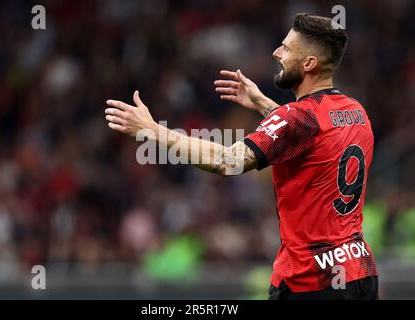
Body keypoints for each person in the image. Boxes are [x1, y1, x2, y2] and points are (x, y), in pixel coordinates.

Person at [104, 13, 378, 300]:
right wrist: (263, 104)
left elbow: (228, 162)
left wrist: (153, 131)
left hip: (311, 280)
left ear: (309, 63)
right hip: (359, 271)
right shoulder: (355, 112)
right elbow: (311, 137)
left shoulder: (297, 117)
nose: (276, 53)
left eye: (286, 48)